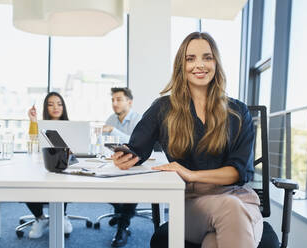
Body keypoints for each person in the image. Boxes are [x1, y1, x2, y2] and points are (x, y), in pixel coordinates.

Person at [112, 32, 263, 248]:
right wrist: (125, 156)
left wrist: (191, 174)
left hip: (239, 200)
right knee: (229, 209)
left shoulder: (238, 111)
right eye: (190, 59)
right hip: (191, 204)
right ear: (181, 66)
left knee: (215, 241)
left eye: (207, 57)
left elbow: (239, 171)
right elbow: (137, 149)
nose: (199, 65)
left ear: (216, 63)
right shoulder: (163, 108)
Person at [26, 91, 73, 239]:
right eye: (51, 104)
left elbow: (74, 153)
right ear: (45, 108)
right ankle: (40, 218)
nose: (55, 107)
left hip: (63, 167)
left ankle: (62, 216)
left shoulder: (70, 126)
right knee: (26, 181)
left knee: (63, 178)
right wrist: (33, 120)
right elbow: (33, 144)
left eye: (59, 104)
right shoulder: (39, 125)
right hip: (41, 167)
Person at [103, 87, 142, 247]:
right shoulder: (111, 118)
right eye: (113, 100)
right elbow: (104, 143)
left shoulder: (139, 119)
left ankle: (122, 226)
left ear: (129, 102)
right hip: (115, 163)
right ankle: (121, 212)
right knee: (99, 182)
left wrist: (114, 131)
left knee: (131, 190)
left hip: (137, 165)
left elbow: (137, 143)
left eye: (119, 99)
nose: (115, 103)